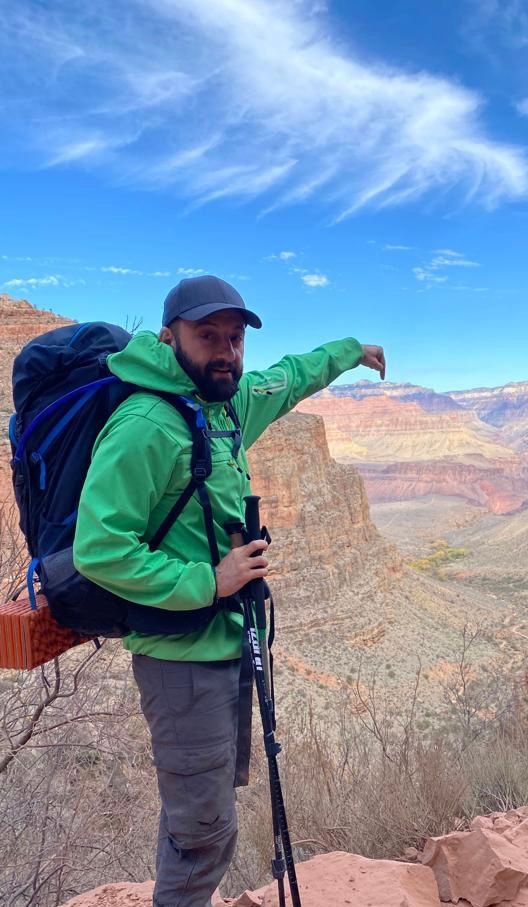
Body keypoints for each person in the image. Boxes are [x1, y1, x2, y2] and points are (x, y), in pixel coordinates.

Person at [72, 275, 386, 907]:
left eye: (234, 338)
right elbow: (99, 548)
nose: (225, 350)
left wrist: (352, 350)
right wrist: (207, 581)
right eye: (206, 334)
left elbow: (290, 377)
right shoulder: (147, 425)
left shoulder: (225, 406)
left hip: (225, 647)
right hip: (181, 660)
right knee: (205, 833)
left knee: (201, 811)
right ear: (169, 338)